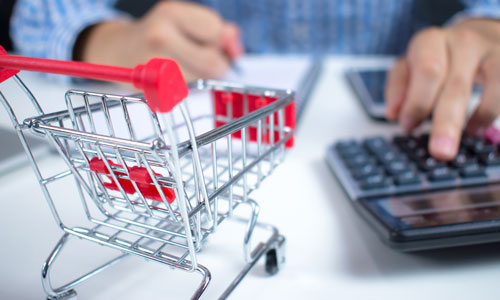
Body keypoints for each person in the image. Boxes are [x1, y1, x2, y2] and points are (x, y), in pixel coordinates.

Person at [8, 0, 500, 161]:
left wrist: (487, 24)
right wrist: (103, 38)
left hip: (384, 121)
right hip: (201, 116)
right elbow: (44, 9)